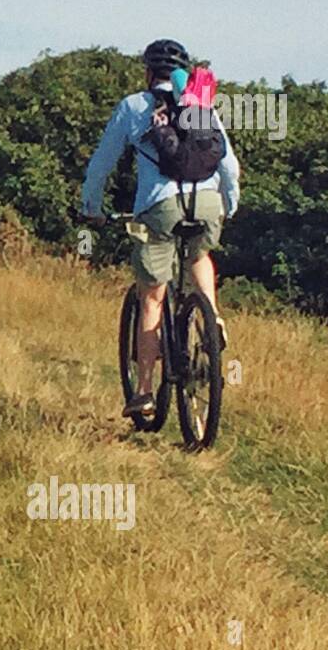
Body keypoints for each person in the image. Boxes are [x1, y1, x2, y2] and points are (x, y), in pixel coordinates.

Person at [81, 39, 241, 417]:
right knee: (200, 253)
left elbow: (101, 164)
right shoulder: (202, 105)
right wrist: (228, 206)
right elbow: (229, 166)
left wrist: (92, 208)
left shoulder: (134, 106)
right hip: (206, 201)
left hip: (158, 206)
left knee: (152, 296)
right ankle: (212, 317)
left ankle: (145, 391)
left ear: (148, 72)